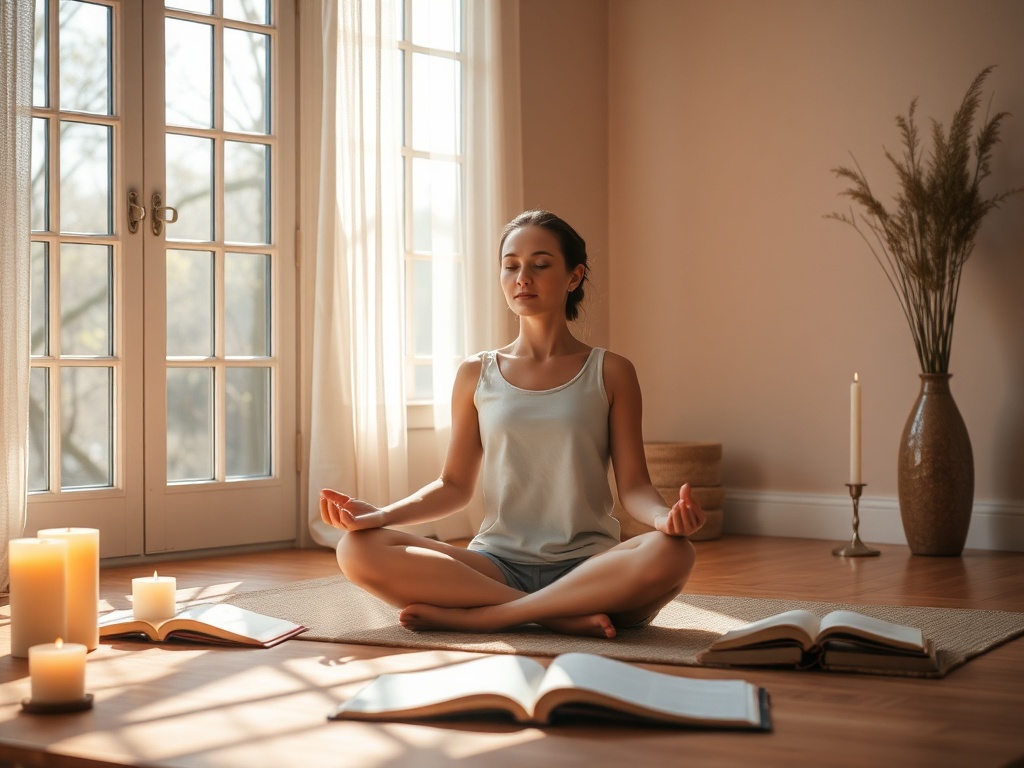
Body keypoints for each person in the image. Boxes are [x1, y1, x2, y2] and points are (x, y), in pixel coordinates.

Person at [320, 210, 705, 638]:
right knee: (356, 549)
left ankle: (488, 616)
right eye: (511, 266)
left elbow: (633, 487)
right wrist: (380, 515)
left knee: (674, 554)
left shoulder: (612, 371)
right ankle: (553, 615)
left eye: (540, 265)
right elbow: (453, 485)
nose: (523, 277)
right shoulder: (475, 373)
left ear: (574, 277)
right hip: (494, 567)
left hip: (591, 567)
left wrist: (664, 519)